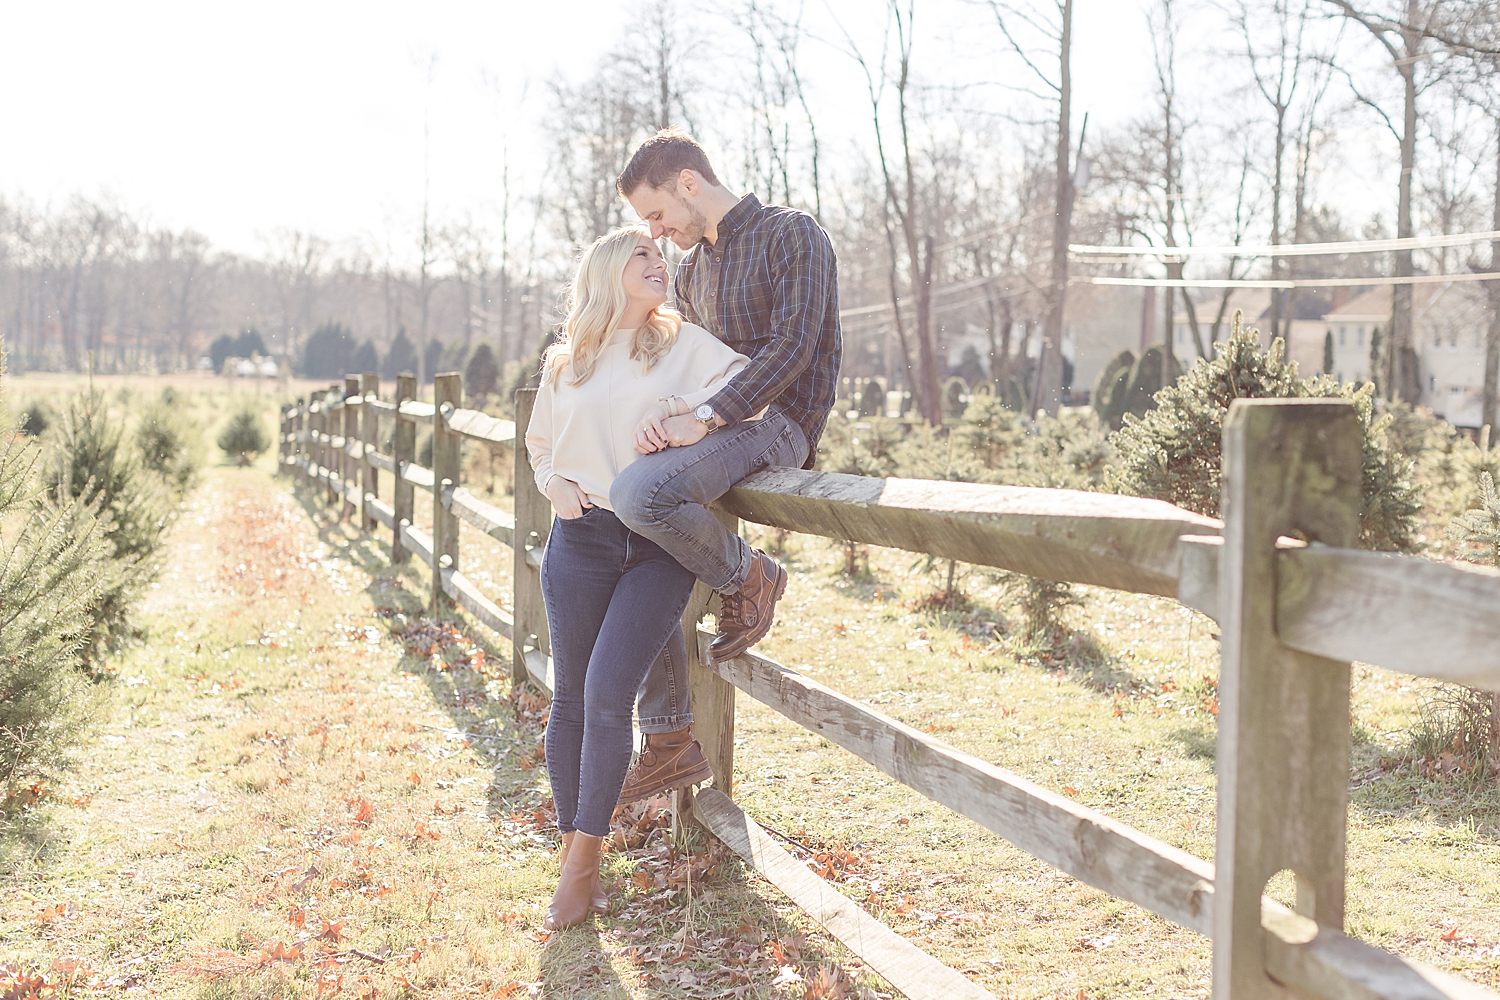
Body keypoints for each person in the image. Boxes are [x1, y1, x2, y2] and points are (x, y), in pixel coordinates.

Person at [525, 225, 757, 931]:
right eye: (644, 255)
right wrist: (552, 481)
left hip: (657, 547)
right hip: (581, 539)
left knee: (606, 693)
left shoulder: (682, 344)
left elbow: (748, 389)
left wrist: (683, 412)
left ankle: (581, 871)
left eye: (662, 255)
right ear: (606, 272)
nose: (660, 264)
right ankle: (578, 853)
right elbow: (540, 442)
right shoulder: (568, 362)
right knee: (569, 700)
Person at [609, 128, 842, 806]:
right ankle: (668, 740)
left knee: (640, 497)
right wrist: (667, 412)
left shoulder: (791, 235)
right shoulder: (693, 269)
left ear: (688, 183)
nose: (655, 232)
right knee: (632, 527)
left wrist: (707, 416)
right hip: (715, 427)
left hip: (779, 423)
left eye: (655, 214)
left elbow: (793, 347)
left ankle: (753, 576)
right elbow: (690, 361)